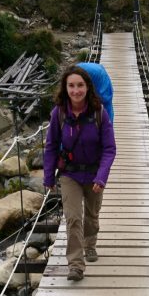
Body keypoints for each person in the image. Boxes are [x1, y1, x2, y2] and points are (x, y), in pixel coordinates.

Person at [43, 65, 117, 281]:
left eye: (80, 85)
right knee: (73, 218)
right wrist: (48, 176)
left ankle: (90, 244)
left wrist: (102, 176)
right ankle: (75, 265)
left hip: (94, 174)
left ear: (88, 87)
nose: (76, 90)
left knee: (91, 216)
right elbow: (51, 145)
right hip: (70, 174)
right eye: (71, 86)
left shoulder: (99, 113)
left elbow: (109, 148)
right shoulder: (59, 113)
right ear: (65, 88)